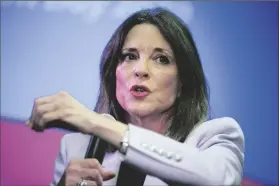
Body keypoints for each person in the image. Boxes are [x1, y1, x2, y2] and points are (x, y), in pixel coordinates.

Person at [26, 7, 245, 186]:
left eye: (161, 59)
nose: (140, 69)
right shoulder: (76, 149)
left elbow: (217, 180)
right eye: (130, 56)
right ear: (113, 74)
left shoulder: (215, 138)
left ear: (183, 83)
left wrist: (95, 122)